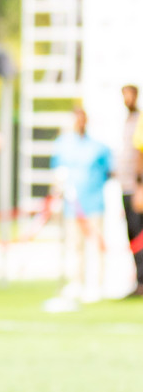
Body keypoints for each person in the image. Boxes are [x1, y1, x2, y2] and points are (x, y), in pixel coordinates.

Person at [52, 107, 112, 303]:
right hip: (71, 205)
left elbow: (108, 171)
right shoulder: (62, 145)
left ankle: (96, 285)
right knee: (74, 245)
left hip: (93, 203)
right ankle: (76, 283)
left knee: (95, 245)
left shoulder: (99, 147)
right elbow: (57, 172)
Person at [120, 85, 143, 292]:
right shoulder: (127, 121)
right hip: (127, 186)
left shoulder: (139, 120)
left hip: (136, 188)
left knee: (139, 234)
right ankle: (139, 280)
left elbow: (140, 154)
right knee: (133, 234)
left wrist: (139, 187)